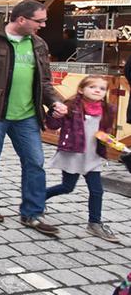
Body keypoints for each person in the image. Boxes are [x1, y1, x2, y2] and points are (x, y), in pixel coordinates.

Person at [0, 0, 67, 235]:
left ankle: (32, 213)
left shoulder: (39, 44)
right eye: (39, 21)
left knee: (35, 162)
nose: (42, 25)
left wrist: (55, 102)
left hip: (28, 115)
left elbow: (44, 81)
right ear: (21, 19)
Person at [45, 76, 120, 243]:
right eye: (92, 87)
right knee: (67, 187)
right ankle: (39, 197)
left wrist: (108, 139)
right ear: (81, 89)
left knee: (97, 190)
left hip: (93, 157)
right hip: (74, 154)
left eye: (101, 89)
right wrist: (54, 114)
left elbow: (105, 131)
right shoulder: (71, 106)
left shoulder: (108, 109)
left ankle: (94, 223)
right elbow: (52, 125)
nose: (97, 90)